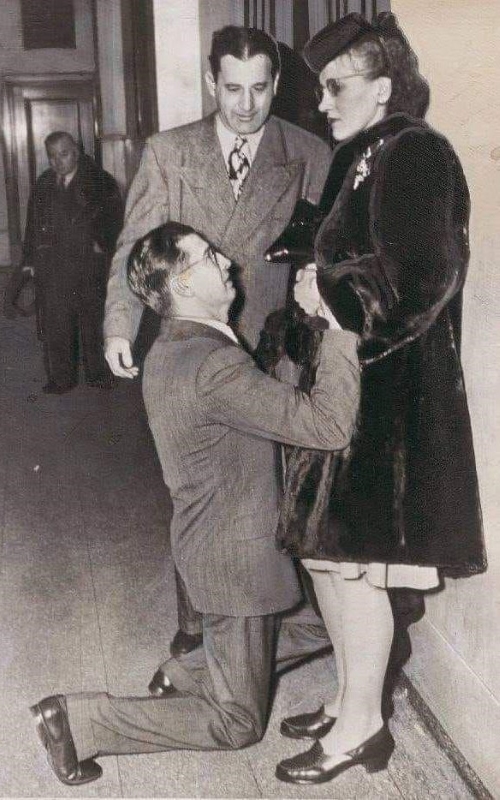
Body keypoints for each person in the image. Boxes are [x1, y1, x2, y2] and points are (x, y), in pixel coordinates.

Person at [29, 221, 360, 786]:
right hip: (234, 561)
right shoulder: (212, 363)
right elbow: (327, 425)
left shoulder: (178, 346)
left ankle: (188, 671)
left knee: (335, 623)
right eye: (208, 257)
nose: (226, 262)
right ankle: (79, 722)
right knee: (237, 723)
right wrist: (338, 327)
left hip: (213, 543)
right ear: (181, 284)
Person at [256, 12, 487, 785]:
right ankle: (351, 701)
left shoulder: (416, 151)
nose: (322, 102)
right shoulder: (363, 152)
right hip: (347, 389)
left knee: (351, 566)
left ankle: (361, 729)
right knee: (328, 562)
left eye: (336, 86)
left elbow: (422, 277)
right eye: (320, 88)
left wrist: (328, 292)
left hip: (386, 405)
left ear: (384, 87)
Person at [103, 25, 332, 657]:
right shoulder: (169, 152)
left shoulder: (309, 153)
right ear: (212, 83)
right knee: (197, 492)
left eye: (259, 88)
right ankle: (194, 624)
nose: (246, 104)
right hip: (193, 347)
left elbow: (324, 253)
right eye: (233, 89)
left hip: (273, 354)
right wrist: (120, 325)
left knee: (268, 495)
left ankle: (270, 625)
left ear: (276, 85)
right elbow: (134, 246)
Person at [5, 132, 124, 393]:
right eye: (52, 156)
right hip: (54, 267)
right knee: (56, 324)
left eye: (64, 154)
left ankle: (99, 374)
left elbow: (116, 220)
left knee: (94, 323)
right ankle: (61, 378)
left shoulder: (100, 182)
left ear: (77, 151)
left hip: (89, 266)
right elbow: (33, 225)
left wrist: (102, 246)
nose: (58, 162)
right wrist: (30, 258)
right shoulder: (44, 184)